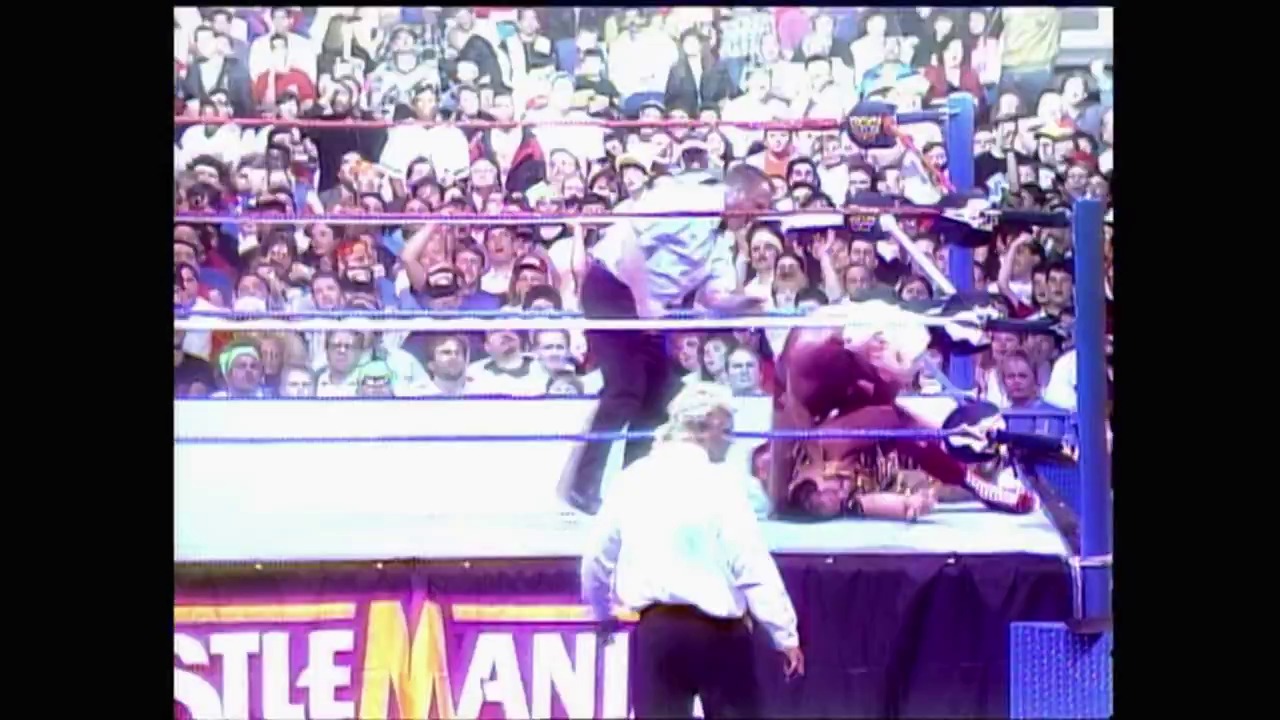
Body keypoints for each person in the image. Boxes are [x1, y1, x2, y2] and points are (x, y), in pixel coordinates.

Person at [581, 382, 804, 718]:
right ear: (704, 429)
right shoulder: (721, 484)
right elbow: (750, 562)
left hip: (657, 632)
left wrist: (601, 613)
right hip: (717, 634)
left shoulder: (632, 479)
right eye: (727, 431)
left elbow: (596, 558)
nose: (731, 442)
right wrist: (784, 633)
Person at [565, 164, 773, 514]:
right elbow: (627, 239)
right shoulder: (688, 199)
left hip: (650, 306)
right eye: (759, 204)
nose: (761, 215)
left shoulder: (721, 240)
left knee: (660, 396)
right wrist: (644, 301)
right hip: (614, 288)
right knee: (625, 389)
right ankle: (582, 487)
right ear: (738, 195)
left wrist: (746, 303)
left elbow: (714, 297)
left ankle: (632, 490)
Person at [770, 299, 1038, 519]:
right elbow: (790, 419)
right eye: (894, 372)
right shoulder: (809, 351)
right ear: (876, 350)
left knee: (891, 424)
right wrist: (789, 488)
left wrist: (945, 434)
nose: (900, 381)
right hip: (799, 432)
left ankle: (970, 476)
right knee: (801, 489)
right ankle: (972, 482)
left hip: (838, 423)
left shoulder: (883, 336)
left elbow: (890, 416)